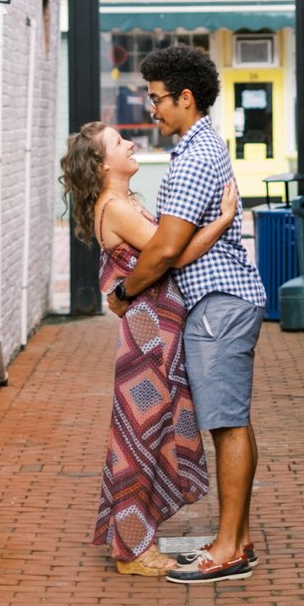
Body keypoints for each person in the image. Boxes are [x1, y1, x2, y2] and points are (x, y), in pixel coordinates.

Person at [106, 45, 266, 585]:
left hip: (219, 305)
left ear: (186, 98)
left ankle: (228, 551)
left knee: (226, 421)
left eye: (157, 100)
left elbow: (168, 247)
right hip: (216, 305)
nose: (151, 110)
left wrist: (125, 291)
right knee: (229, 420)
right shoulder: (195, 150)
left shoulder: (197, 156)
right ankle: (236, 538)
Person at [61, 121, 238, 577]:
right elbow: (170, 254)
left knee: (150, 434)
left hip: (154, 331)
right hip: (149, 339)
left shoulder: (123, 202)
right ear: (103, 164)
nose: (132, 143)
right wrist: (222, 220)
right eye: (121, 143)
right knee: (142, 436)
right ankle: (134, 550)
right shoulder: (116, 206)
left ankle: (137, 537)